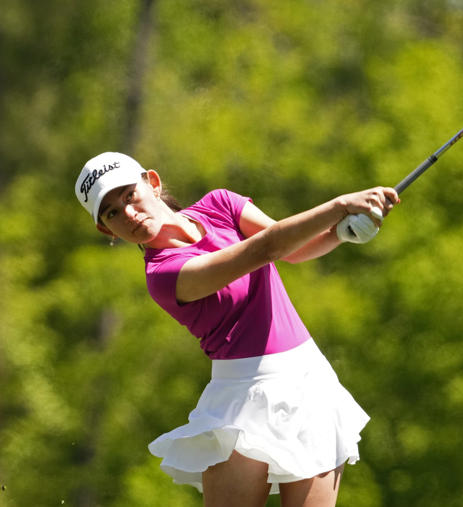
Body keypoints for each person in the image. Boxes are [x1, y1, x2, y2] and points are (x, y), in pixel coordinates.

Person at [74, 151, 399, 507]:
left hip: (309, 381)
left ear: (152, 182)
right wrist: (340, 206)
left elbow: (296, 248)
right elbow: (267, 248)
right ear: (106, 230)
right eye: (112, 213)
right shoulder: (163, 276)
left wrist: (342, 232)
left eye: (129, 196)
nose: (129, 214)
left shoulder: (221, 204)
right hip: (241, 403)